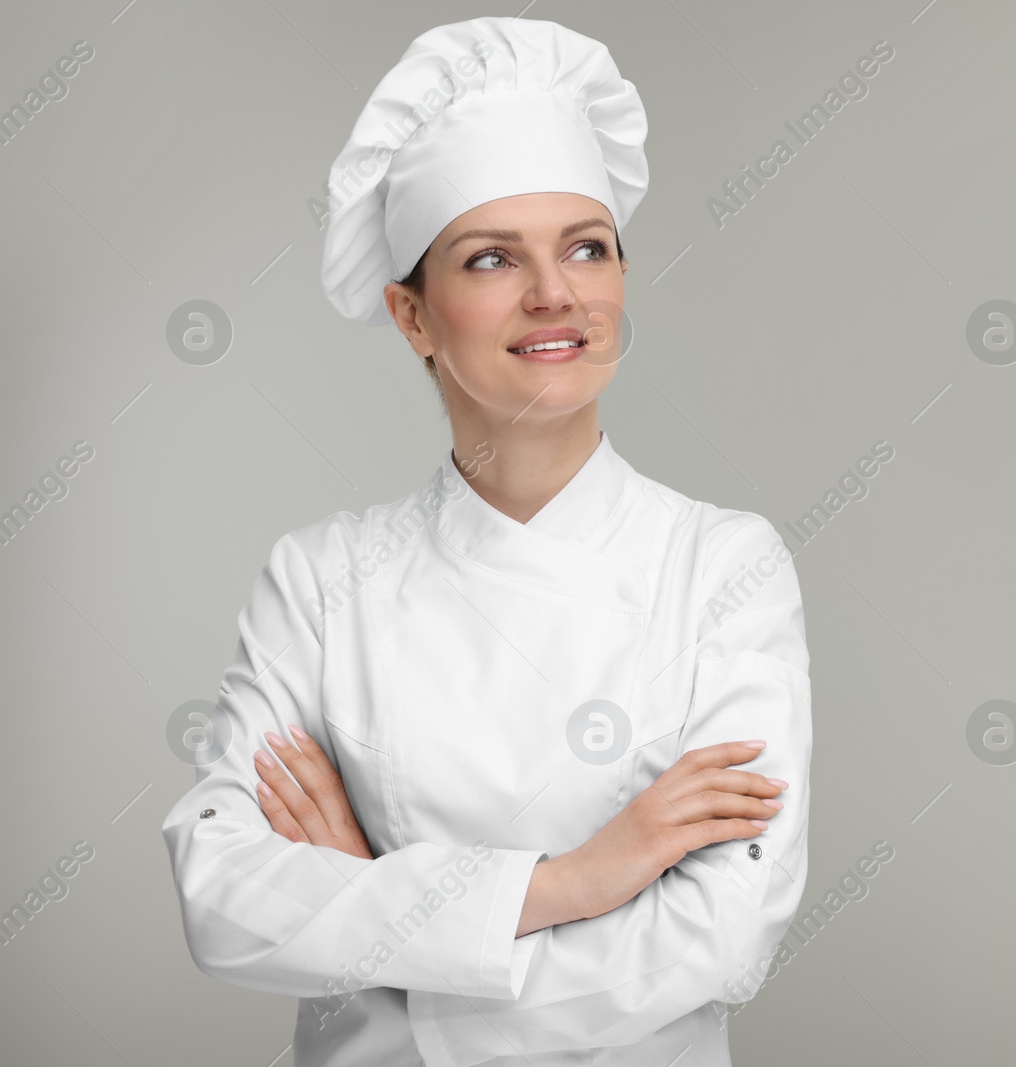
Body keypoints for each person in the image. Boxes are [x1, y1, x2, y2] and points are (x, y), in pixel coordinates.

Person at [159, 17, 812, 1067]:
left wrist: (382, 937)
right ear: (413, 316)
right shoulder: (323, 578)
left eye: (586, 248)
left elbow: (725, 932)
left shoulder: (723, 566)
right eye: (492, 257)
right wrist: (576, 879)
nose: (555, 294)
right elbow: (222, 890)